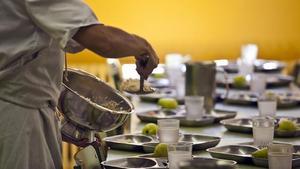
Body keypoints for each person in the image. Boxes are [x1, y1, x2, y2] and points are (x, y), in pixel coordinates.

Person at [0, 0, 159, 168]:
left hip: (23, 110)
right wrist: (144, 47)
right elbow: (103, 41)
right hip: (20, 120)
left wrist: (59, 125)